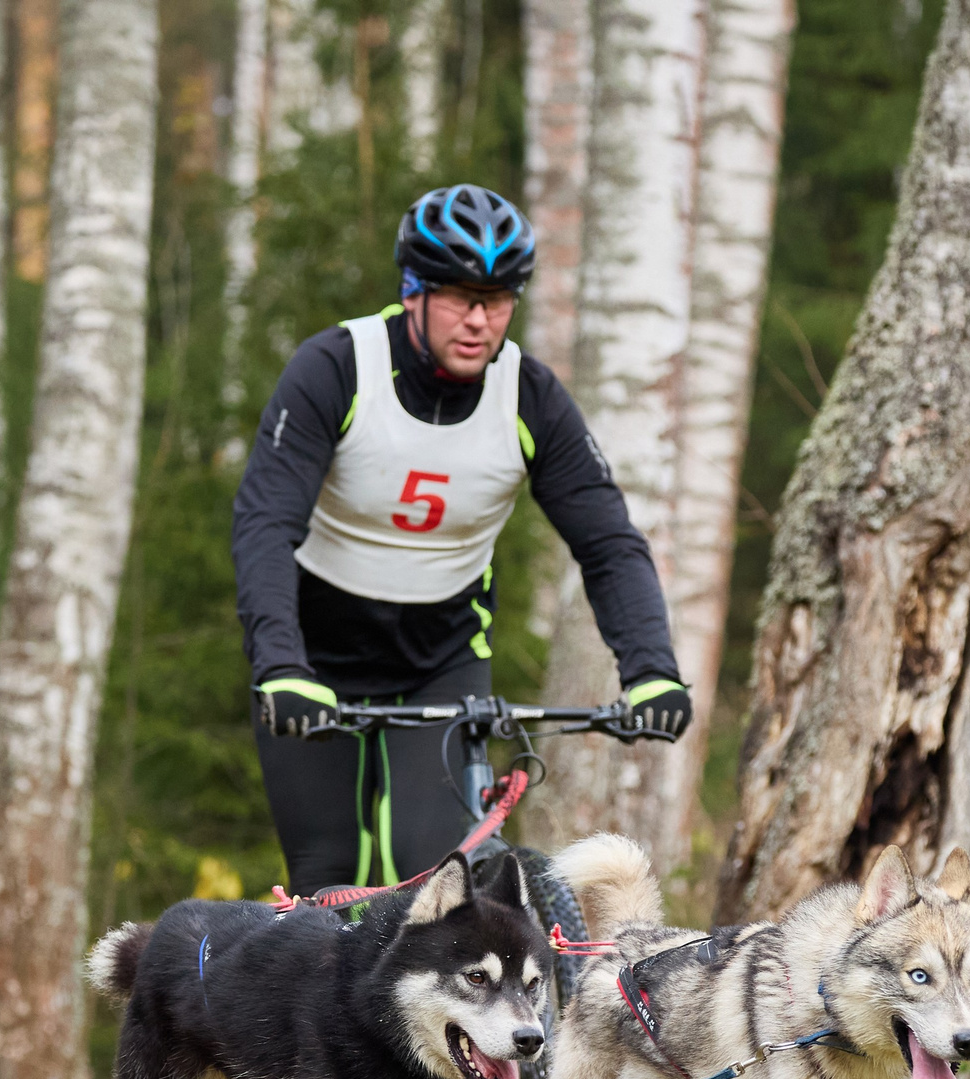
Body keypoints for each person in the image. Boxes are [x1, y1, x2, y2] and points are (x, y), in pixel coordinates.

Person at [233, 183, 692, 894]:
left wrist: (650, 668)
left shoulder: (529, 396)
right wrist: (280, 665)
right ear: (412, 291)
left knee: (445, 881)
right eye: (458, 297)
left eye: (499, 299)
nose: (480, 320)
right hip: (314, 653)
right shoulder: (336, 369)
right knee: (329, 882)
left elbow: (607, 543)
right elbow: (265, 520)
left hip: (440, 655)